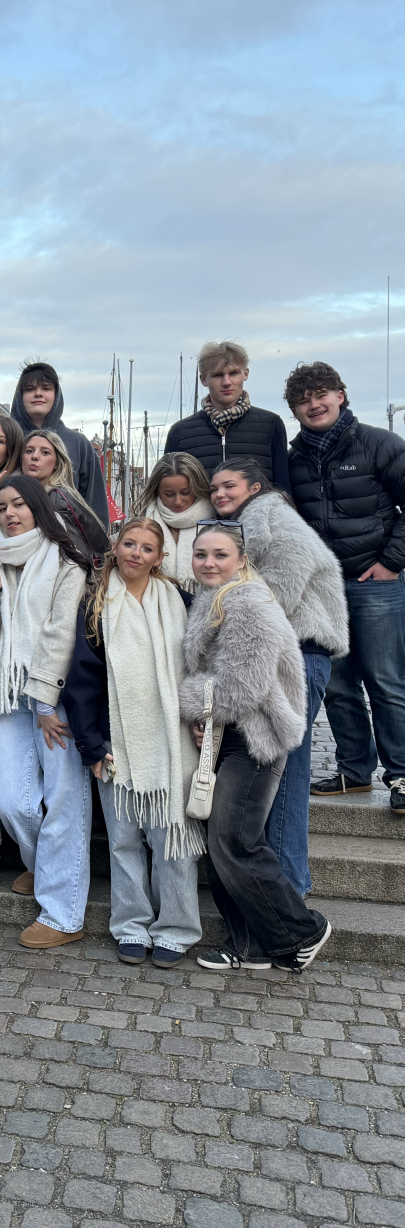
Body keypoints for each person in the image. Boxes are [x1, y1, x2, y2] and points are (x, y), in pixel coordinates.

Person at [181, 522, 333, 971]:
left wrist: (192, 703)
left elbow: (241, 687)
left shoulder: (247, 602)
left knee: (235, 841)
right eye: (201, 553)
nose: (209, 562)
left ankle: (303, 929)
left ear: (241, 559)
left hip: (255, 739)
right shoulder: (218, 598)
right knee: (223, 841)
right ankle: (250, 946)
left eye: (220, 555)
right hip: (231, 736)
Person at [64, 519, 202, 967]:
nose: (136, 553)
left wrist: (202, 718)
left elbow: (200, 666)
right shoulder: (97, 602)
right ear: (116, 548)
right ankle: (131, 925)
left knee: (170, 841)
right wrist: (91, 745)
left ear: (160, 557)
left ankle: (176, 928)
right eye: (129, 544)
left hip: (171, 742)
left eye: (147, 548)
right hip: (114, 743)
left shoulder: (180, 601)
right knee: (123, 841)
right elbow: (81, 682)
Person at [209, 457, 349, 893]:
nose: (219, 494)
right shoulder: (258, 519)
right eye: (214, 489)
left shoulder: (271, 515)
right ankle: (288, 882)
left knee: (282, 774)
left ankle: (286, 887)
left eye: (229, 486)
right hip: (295, 650)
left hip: (299, 651)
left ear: (254, 487)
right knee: (286, 770)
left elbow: (281, 586)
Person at [0, 474, 91, 948]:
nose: (11, 513)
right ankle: (42, 864)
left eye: (20, 504)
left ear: (39, 507)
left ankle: (63, 913)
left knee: (63, 802)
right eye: (2, 508)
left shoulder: (65, 557)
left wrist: (46, 702)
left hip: (53, 695)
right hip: (9, 690)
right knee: (7, 797)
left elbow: (62, 632)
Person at [284, 362, 405, 810]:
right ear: (295, 409)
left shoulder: (378, 443)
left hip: (375, 582)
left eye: (322, 395)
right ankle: (354, 771)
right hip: (322, 590)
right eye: (303, 400)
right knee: (336, 684)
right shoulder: (295, 458)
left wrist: (391, 562)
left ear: (340, 395)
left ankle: (401, 776)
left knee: (387, 682)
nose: (314, 405)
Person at [163, 341, 291, 489]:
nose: (226, 382)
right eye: (218, 375)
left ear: (245, 374)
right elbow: (168, 490)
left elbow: (283, 489)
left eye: (233, 373)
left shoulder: (271, 424)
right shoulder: (180, 433)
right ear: (204, 379)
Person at [10, 361, 110, 524]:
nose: (38, 394)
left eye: (46, 388)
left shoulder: (78, 444)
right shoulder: (6, 439)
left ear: (56, 395)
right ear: (20, 396)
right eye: (30, 389)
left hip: (67, 543)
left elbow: (95, 505)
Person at [21, 428, 110, 563]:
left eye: (45, 452)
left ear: (57, 463)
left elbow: (73, 558)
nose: (34, 456)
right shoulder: (21, 496)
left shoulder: (57, 500)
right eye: (29, 451)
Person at [133, 453, 214, 591]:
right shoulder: (141, 524)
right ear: (157, 491)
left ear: (197, 487)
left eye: (186, 492)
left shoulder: (217, 520)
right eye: (169, 494)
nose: (177, 501)